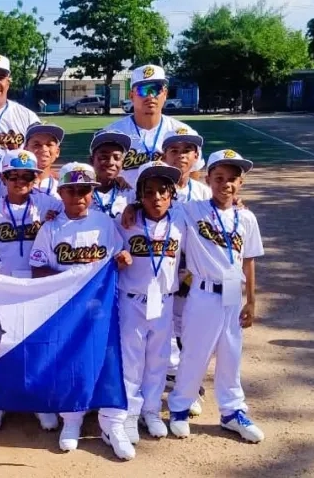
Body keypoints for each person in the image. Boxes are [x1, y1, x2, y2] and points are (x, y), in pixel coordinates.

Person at [27, 163, 133, 459]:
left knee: (108, 360)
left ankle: (112, 424)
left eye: (84, 190)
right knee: (70, 362)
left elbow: (118, 258)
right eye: (71, 190)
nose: (78, 196)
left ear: (92, 192)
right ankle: (71, 420)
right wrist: (75, 279)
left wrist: (123, 259)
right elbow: (37, 268)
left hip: (101, 309)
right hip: (66, 310)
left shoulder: (104, 223)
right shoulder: (51, 227)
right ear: (60, 192)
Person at [166, 150, 265, 443]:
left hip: (234, 288)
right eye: (219, 178)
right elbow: (159, 208)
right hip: (203, 289)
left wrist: (252, 300)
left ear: (241, 183)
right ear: (207, 179)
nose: (226, 185)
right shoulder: (191, 210)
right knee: (195, 353)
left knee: (231, 354)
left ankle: (232, 411)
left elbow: (248, 260)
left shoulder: (246, 217)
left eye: (233, 179)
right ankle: (180, 407)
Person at [97, 161, 186, 458]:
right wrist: (119, 259)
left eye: (163, 191)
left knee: (159, 358)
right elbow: (108, 254)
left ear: (172, 194)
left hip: (164, 299)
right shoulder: (126, 221)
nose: (157, 197)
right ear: (139, 196)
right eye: (149, 192)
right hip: (132, 298)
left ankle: (150, 410)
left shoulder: (181, 220)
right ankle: (131, 414)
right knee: (132, 360)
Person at [0, 149, 63, 432]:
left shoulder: (49, 203)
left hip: (39, 285)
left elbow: (73, 219)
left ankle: (38, 401)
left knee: (38, 344)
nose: (20, 181)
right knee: (3, 344)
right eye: (14, 176)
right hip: (4, 286)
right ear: (3, 177)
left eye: (28, 176)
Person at [159, 128, 211, 416]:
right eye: (174, 150)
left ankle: (190, 386)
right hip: (162, 271)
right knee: (160, 329)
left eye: (187, 150)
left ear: (196, 156)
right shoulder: (155, 187)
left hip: (193, 274)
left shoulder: (204, 192)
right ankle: (166, 378)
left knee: (189, 332)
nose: (181, 156)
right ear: (164, 156)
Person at [104, 65, 203, 189]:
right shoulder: (112, 133)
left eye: (156, 89)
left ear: (165, 94)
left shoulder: (184, 133)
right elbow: (99, 173)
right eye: (142, 90)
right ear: (131, 96)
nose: (150, 96)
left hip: (168, 204)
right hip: (123, 203)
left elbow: (193, 172)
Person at [88, 130, 136, 219]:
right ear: (91, 160)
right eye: (103, 157)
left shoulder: (128, 193)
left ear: (122, 163)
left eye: (117, 158)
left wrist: (134, 207)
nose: (111, 162)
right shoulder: (80, 192)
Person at [23, 123, 63, 198]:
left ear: (57, 152)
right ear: (26, 150)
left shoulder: (64, 184)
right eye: (36, 145)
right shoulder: (12, 182)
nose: (44, 149)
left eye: (49, 144)